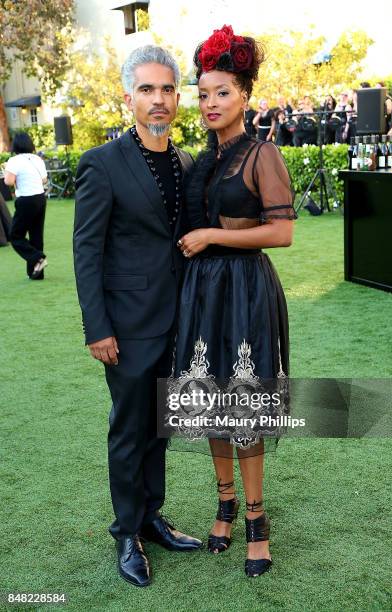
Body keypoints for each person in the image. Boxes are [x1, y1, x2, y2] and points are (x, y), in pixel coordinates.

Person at [73, 45, 202, 589]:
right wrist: (97, 328)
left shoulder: (186, 160)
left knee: (161, 428)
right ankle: (126, 531)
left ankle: (151, 518)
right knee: (129, 430)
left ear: (177, 97)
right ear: (128, 97)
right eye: (147, 89)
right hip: (125, 326)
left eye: (167, 89)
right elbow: (86, 251)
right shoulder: (101, 164)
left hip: (178, 321)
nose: (159, 99)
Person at [173, 25, 297, 578]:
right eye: (202, 94)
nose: (209, 103)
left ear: (244, 94)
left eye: (221, 92)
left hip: (247, 289)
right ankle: (223, 506)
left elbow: (282, 234)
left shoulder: (262, 153)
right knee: (209, 404)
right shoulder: (201, 160)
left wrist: (213, 238)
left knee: (243, 406)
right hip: (204, 293)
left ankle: (256, 520)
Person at [4, 132, 48, 279]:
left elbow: (9, 182)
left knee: (15, 236)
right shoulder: (37, 159)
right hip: (40, 198)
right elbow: (44, 180)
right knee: (36, 236)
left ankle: (38, 257)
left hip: (26, 200)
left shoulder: (14, 160)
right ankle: (36, 274)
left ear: (15, 145)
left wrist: (7, 172)